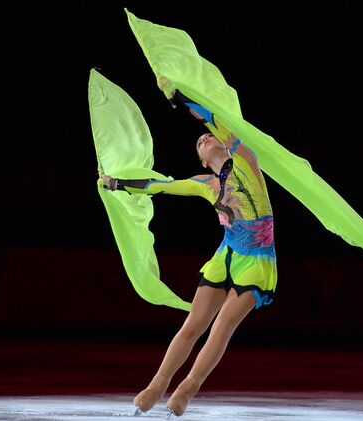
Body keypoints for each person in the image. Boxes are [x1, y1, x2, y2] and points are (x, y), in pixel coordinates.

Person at [100, 89, 277, 417]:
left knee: (222, 326)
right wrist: (117, 183)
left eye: (210, 138)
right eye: (199, 143)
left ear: (223, 145)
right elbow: (160, 186)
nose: (206, 139)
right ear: (202, 161)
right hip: (226, 255)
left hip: (256, 260)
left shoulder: (248, 164)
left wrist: (178, 98)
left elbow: (215, 120)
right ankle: (156, 385)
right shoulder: (205, 184)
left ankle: (188, 387)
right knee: (193, 325)